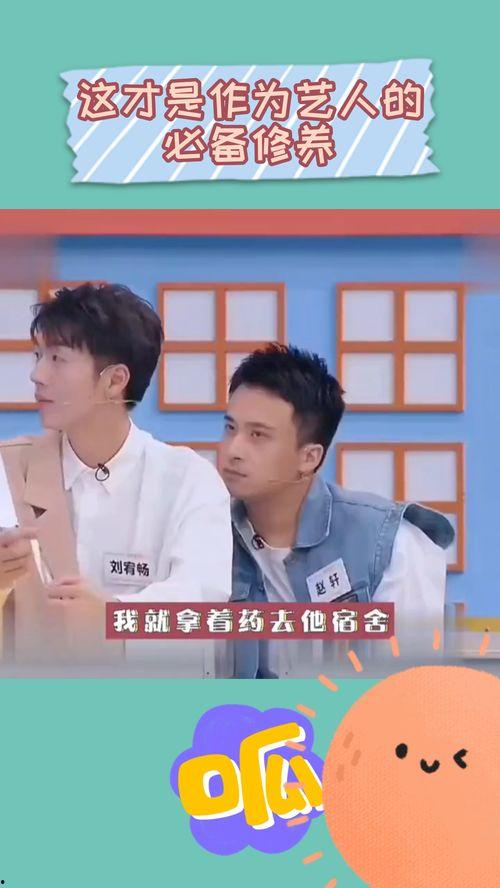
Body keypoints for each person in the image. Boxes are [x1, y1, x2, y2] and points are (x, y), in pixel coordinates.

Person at [0, 283, 232, 674]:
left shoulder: (188, 480)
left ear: (114, 380)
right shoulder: (9, 468)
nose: (37, 375)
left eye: (57, 359)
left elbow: (201, 602)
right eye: (38, 356)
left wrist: (115, 621)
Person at [219, 344, 454, 678]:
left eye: (258, 435)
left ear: (309, 457)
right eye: (230, 428)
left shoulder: (392, 545)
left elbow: (410, 688)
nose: (233, 449)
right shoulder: (204, 535)